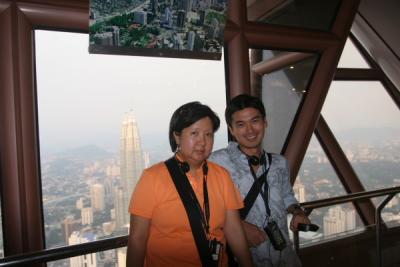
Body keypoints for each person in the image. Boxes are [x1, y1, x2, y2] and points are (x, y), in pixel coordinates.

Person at [126, 101, 253, 267]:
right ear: (177, 136)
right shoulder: (152, 178)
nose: (203, 142)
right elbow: (137, 239)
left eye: (209, 135)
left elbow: (234, 230)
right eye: (195, 133)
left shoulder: (222, 176)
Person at [209, 94, 311, 267]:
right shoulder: (216, 163)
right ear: (231, 129)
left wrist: (297, 212)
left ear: (265, 123)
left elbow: (287, 196)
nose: (250, 130)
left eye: (255, 121)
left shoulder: (279, 163)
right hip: (243, 258)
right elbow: (203, 208)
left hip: (284, 256)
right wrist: (239, 226)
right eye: (241, 125)